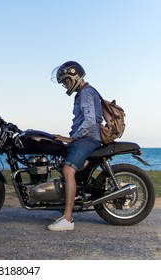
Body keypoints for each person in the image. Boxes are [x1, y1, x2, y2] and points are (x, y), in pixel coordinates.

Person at [48, 61, 103, 231]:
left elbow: (89, 121)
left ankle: (68, 219)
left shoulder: (86, 92)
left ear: (75, 76)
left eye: (66, 81)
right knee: (60, 162)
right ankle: (66, 207)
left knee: (68, 170)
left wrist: (71, 139)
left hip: (88, 138)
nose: (65, 85)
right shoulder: (82, 93)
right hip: (84, 137)